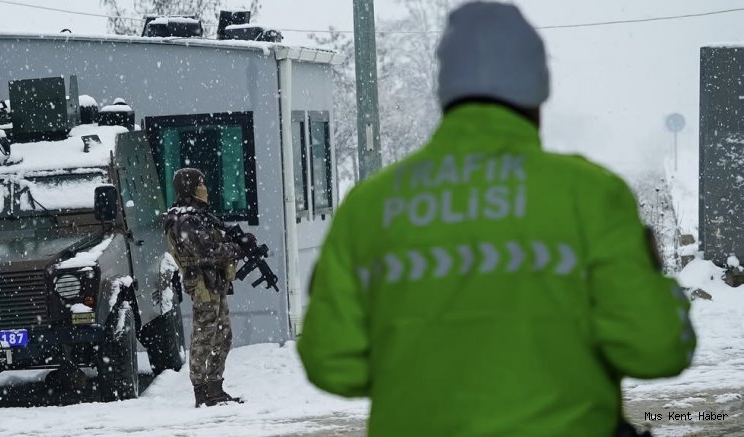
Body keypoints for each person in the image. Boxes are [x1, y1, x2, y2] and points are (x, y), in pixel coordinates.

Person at [297, 2, 696, 436]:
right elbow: (657, 349)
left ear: (446, 91)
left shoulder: (369, 207)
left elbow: (332, 364)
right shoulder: (591, 195)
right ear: (538, 90)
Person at [162, 168, 245, 407]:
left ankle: (215, 387)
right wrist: (236, 249)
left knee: (223, 335)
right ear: (190, 188)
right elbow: (206, 251)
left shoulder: (199, 216)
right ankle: (202, 391)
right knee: (205, 336)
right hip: (202, 284)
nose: (205, 189)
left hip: (214, 282)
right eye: (201, 184)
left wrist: (234, 242)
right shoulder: (185, 219)